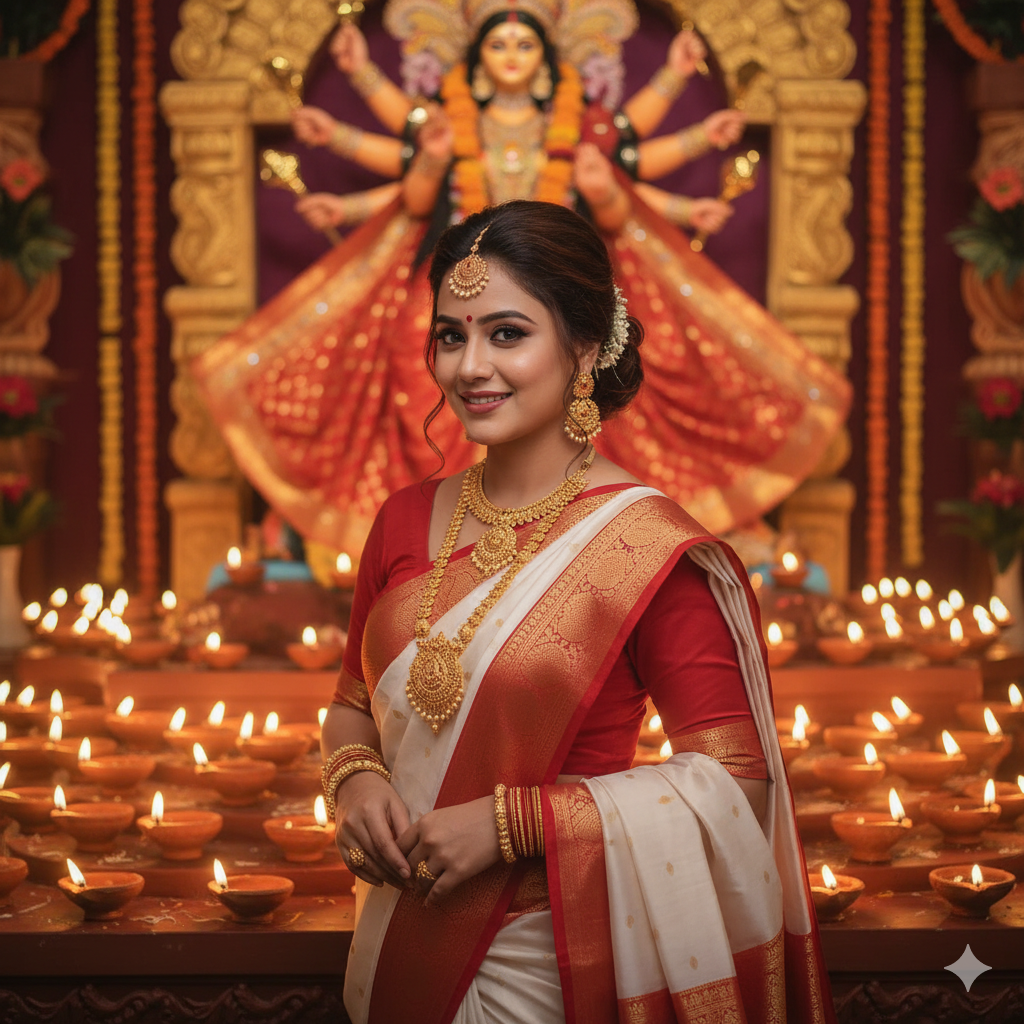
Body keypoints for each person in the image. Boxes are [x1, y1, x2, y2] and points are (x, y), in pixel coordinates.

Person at [320, 201, 837, 1024]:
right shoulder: (401, 521)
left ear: (586, 348)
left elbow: (740, 790)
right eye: (451, 335)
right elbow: (352, 707)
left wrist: (513, 824)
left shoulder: (649, 549)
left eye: (507, 333)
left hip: (546, 965)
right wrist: (355, 783)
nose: (470, 367)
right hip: (390, 947)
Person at [194, 0, 850, 564]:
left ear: (546, 57)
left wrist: (677, 100)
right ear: (479, 57)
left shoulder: (587, 126)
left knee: (609, 379)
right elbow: (415, 193)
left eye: (525, 42)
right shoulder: (449, 125)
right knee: (413, 364)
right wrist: (358, 107)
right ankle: (436, 539)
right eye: (500, 42)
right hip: (463, 283)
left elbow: (626, 186)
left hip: (559, 290)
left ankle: (581, 535)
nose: (512, 53)